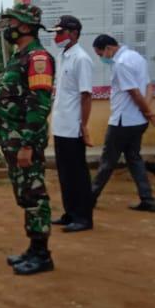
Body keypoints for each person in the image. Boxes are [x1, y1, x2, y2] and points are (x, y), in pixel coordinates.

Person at [0, 3, 55, 275]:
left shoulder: (37, 58)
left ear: (25, 27)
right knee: (24, 194)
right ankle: (33, 248)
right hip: (13, 139)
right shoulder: (20, 56)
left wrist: (28, 143)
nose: (8, 27)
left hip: (24, 140)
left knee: (34, 194)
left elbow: (39, 104)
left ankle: (42, 254)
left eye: (12, 23)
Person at [90, 35, 155, 212]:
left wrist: (147, 111)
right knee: (134, 159)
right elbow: (149, 86)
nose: (101, 58)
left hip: (123, 121)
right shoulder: (137, 57)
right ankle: (147, 199)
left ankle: (90, 198)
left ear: (108, 48)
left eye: (100, 54)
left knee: (108, 161)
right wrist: (147, 112)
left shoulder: (120, 64)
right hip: (138, 121)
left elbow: (134, 93)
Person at [49, 15, 94, 233]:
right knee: (65, 173)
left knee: (77, 173)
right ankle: (70, 213)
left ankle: (83, 217)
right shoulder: (62, 56)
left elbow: (86, 96)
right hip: (60, 124)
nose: (57, 37)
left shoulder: (81, 59)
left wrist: (84, 126)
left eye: (61, 32)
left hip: (74, 126)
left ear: (74, 33)